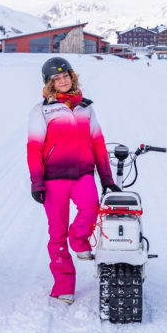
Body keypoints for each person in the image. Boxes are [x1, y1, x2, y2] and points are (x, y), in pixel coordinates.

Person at [26, 57, 117, 304]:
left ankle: (79, 239)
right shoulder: (42, 110)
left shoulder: (86, 108)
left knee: (91, 206)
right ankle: (64, 285)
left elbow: (98, 143)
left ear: (72, 77)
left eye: (65, 75)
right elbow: (34, 148)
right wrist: (37, 182)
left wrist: (107, 178)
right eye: (56, 78)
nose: (62, 80)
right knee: (56, 233)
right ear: (49, 83)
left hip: (82, 174)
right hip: (53, 178)